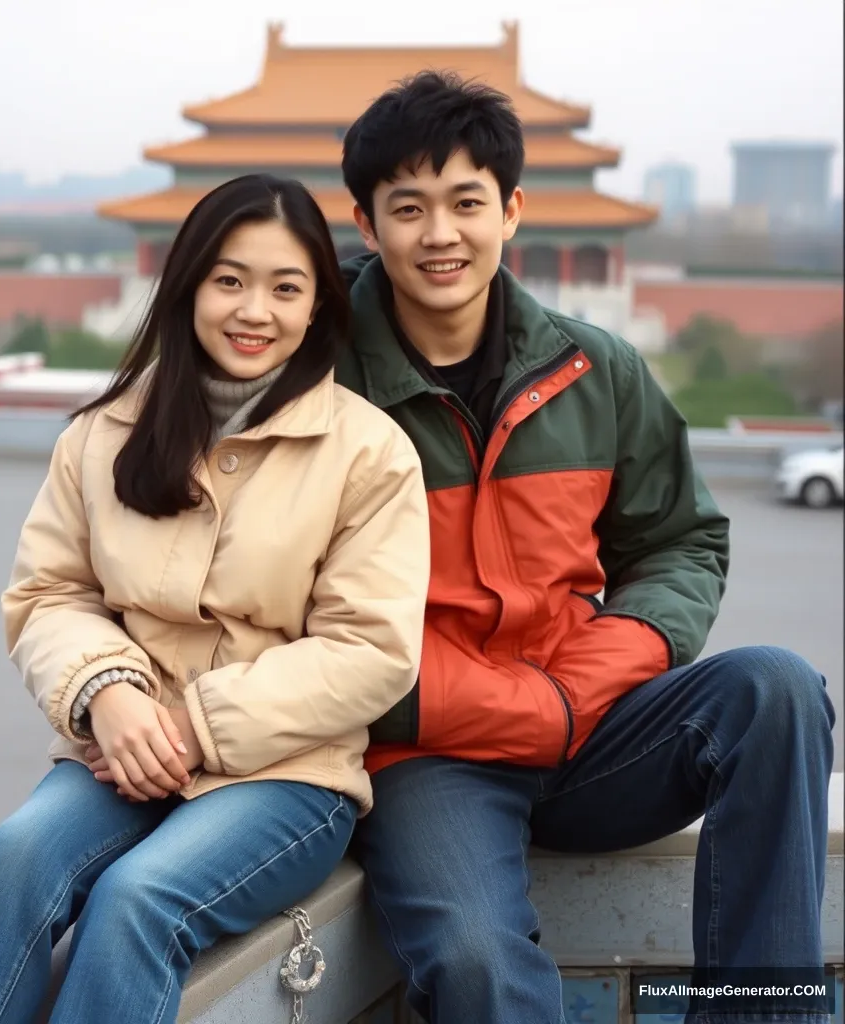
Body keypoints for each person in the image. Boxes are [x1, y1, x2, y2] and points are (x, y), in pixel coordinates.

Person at [334, 71, 836, 1023]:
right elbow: (283, 605)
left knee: (775, 690)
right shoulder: (323, 387)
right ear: (367, 224)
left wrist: (577, 689)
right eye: (408, 208)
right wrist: (500, 706)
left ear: (512, 210)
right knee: (477, 961)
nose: (440, 234)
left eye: (466, 203)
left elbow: (683, 544)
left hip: (586, 725)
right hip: (425, 757)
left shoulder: (593, 367)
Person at [0, 174, 430, 1024]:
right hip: (119, 748)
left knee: (138, 901)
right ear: (187, 286)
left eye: (285, 288)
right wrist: (105, 691)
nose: (255, 310)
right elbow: (49, 593)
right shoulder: (104, 430)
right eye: (230, 280)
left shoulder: (369, 453)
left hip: (286, 773)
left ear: (316, 308)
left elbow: (373, 652)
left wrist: (193, 726)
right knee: (12, 864)